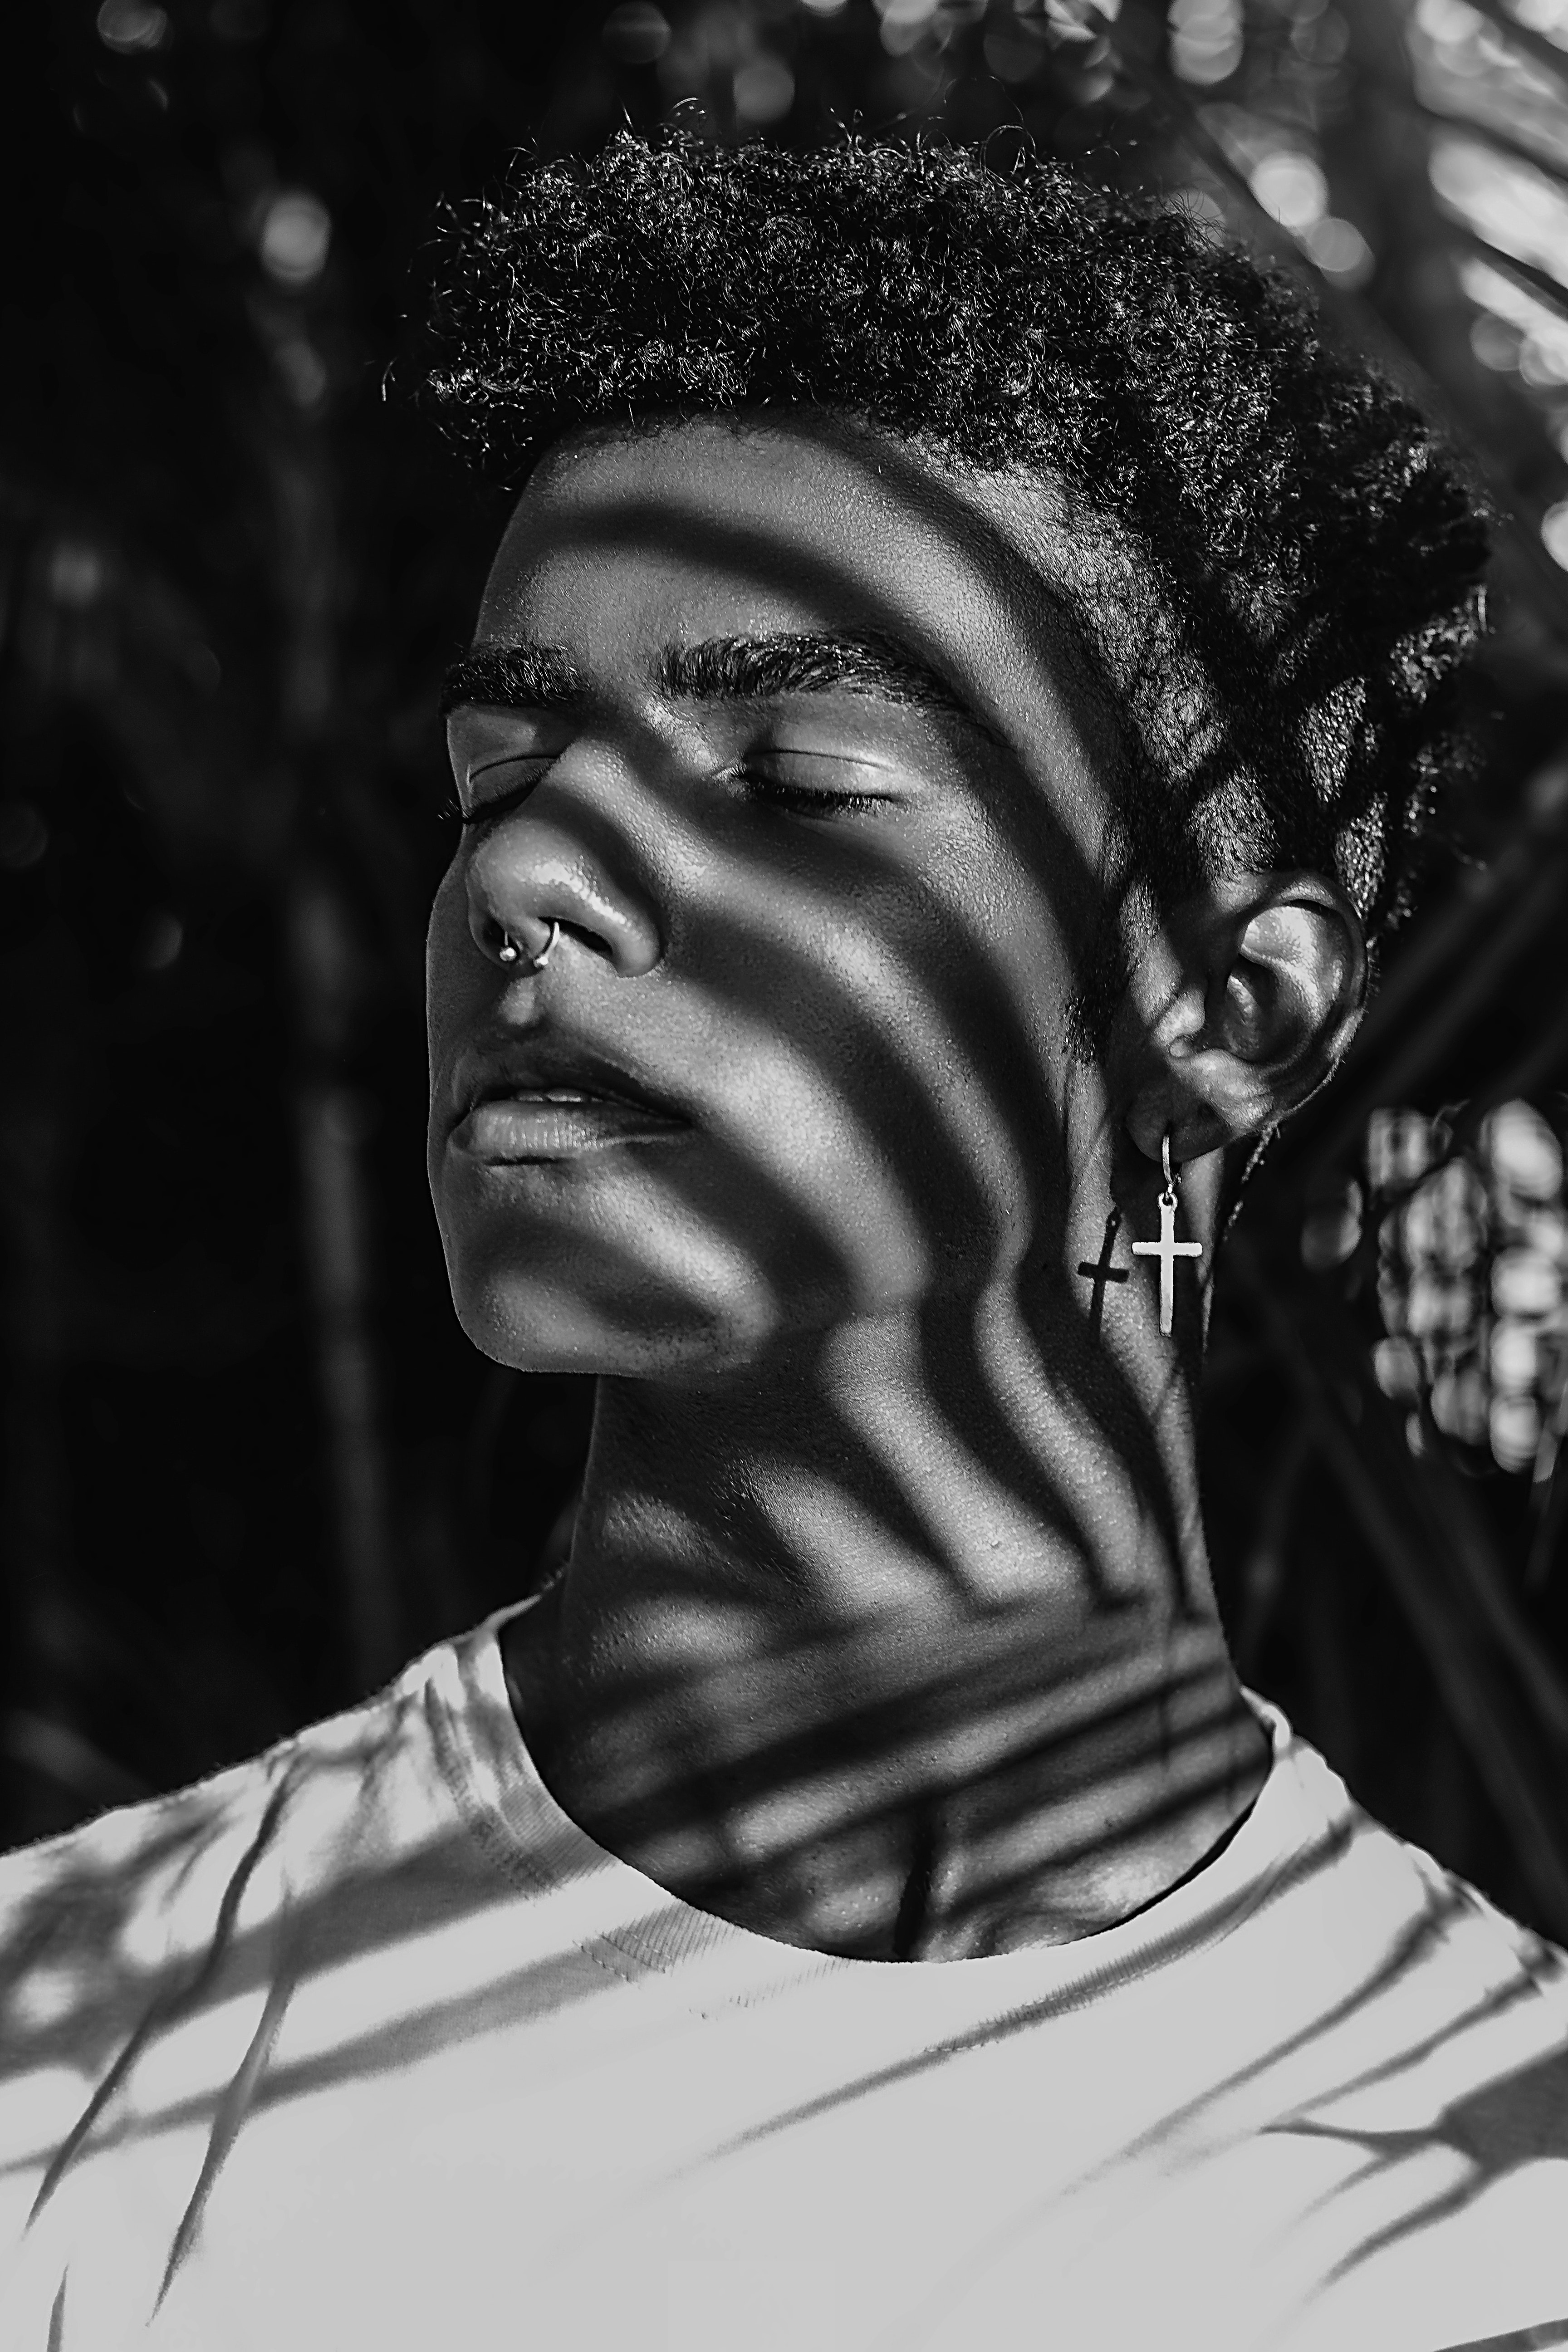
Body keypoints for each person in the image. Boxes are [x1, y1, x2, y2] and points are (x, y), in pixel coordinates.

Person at [3, 131, 1565, 2352]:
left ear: (1232, 1010)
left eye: (792, 783)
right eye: (497, 777)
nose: (524, 880)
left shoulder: (1498, 2208)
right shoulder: (66, 2066)